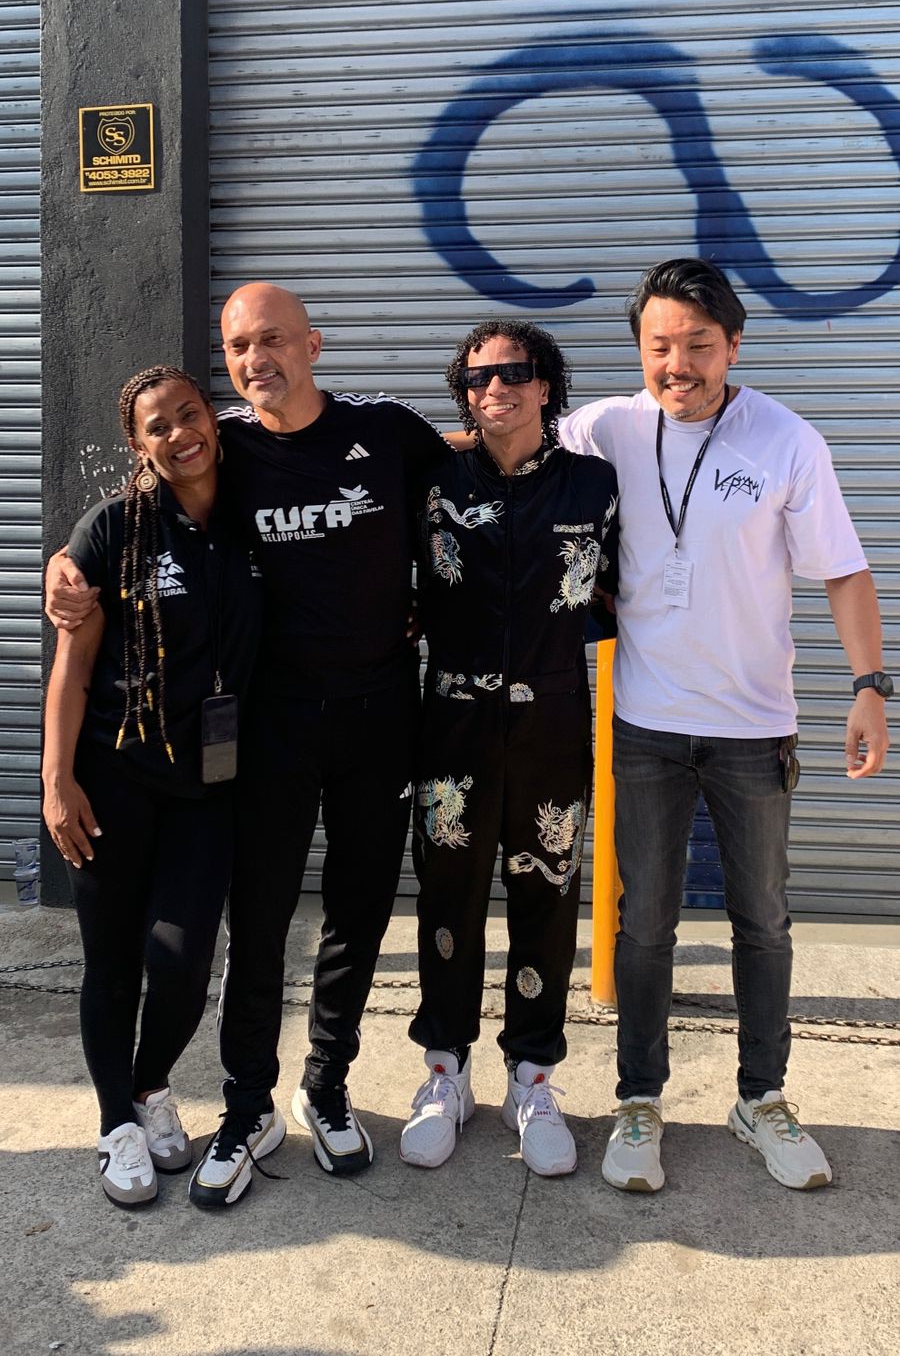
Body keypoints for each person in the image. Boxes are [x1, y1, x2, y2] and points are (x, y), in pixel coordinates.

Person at [47, 283, 450, 1206]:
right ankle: (243, 1103)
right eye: (238, 345)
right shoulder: (222, 448)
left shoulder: (385, 431)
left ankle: (328, 1086)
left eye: (272, 339)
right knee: (258, 924)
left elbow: (467, 462)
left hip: (380, 713)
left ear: (313, 343)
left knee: (355, 911)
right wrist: (63, 569)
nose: (256, 358)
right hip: (263, 731)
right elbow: (131, 515)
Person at [556, 257, 892, 1193]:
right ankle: (637, 1101)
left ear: (733, 346)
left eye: (698, 346)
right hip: (647, 727)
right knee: (644, 923)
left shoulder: (786, 440)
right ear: (639, 351)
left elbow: (845, 571)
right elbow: (499, 441)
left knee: (765, 924)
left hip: (754, 728)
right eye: (660, 346)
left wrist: (869, 685)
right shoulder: (606, 428)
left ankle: (762, 1097)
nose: (678, 365)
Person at [399, 320, 618, 1177]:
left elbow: (626, 589)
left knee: (546, 895)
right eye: (479, 376)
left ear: (547, 385)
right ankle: (444, 1072)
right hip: (450, 719)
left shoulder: (596, 484)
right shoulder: (430, 477)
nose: (498, 388)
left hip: (552, 722)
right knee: (447, 896)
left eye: (516, 373)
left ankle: (533, 1075)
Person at [41, 367, 261, 1207]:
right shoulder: (112, 530)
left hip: (208, 784)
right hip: (113, 779)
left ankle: (146, 1082)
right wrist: (56, 781)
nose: (180, 434)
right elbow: (73, 666)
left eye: (190, 414)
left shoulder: (254, 511)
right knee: (114, 962)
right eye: (158, 426)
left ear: (215, 417)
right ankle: (116, 1125)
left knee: (182, 960)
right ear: (138, 444)